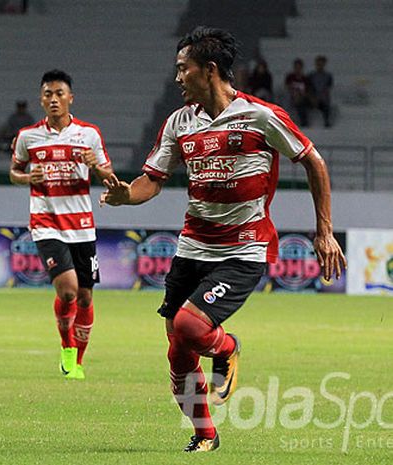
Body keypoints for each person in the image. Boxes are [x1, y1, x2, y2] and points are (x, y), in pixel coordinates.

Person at [101, 27, 346, 452]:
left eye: (183, 69)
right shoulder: (179, 122)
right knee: (177, 349)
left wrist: (323, 231)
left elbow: (314, 162)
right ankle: (205, 436)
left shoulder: (260, 116)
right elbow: (151, 182)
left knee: (189, 325)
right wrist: (127, 197)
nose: (177, 78)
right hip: (193, 245)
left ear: (209, 70)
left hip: (243, 248)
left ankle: (228, 348)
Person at [9, 69, 114, 380]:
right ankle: (66, 348)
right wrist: (28, 177)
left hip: (81, 224)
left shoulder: (89, 134)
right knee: (67, 291)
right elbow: (14, 171)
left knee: (85, 296)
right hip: (46, 222)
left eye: (59, 94)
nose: (53, 99)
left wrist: (97, 167)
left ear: (70, 98)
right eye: (47, 94)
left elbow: (108, 175)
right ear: (41, 100)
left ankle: (77, 361)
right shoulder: (28, 136)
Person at [308, 55, 334, 127]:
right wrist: (313, 98)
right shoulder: (311, 75)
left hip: (323, 99)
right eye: (318, 64)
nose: (320, 66)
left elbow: (327, 88)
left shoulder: (328, 76)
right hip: (313, 98)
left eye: (321, 64)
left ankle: (327, 122)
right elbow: (309, 88)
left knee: (326, 106)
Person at [285, 58, 310, 127]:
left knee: (302, 103)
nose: (298, 69)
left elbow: (307, 91)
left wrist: (300, 95)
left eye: (299, 67)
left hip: (301, 98)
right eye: (296, 67)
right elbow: (287, 87)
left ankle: (303, 122)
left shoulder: (305, 79)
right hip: (291, 96)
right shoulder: (290, 77)